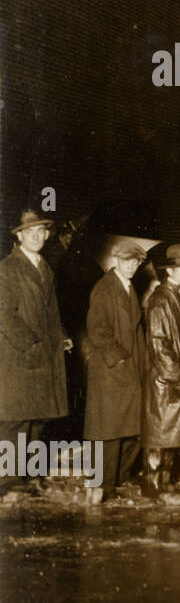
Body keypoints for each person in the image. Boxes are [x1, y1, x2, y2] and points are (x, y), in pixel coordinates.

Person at [0, 210, 72, 496]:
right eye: (30, 231)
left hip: (43, 356)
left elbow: (51, 313)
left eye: (42, 231)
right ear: (18, 236)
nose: (37, 236)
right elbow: (3, 315)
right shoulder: (8, 268)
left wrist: (62, 336)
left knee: (39, 419)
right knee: (16, 420)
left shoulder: (45, 268)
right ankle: (7, 481)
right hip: (19, 357)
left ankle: (29, 477)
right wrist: (29, 343)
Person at [84, 240, 147, 501]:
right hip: (112, 371)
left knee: (130, 427)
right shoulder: (105, 288)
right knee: (109, 430)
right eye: (127, 260)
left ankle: (120, 477)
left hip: (129, 369)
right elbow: (98, 330)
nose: (131, 265)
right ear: (116, 260)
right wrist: (119, 359)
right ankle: (103, 484)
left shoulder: (128, 287)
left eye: (136, 262)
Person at [141, 244, 180, 496]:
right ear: (170, 271)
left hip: (176, 379)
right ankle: (151, 487)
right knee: (159, 437)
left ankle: (165, 483)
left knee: (172, 437)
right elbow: (159, 345)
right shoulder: (160, 301)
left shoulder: (178, 296)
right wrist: (178, 379)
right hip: (166, 382)